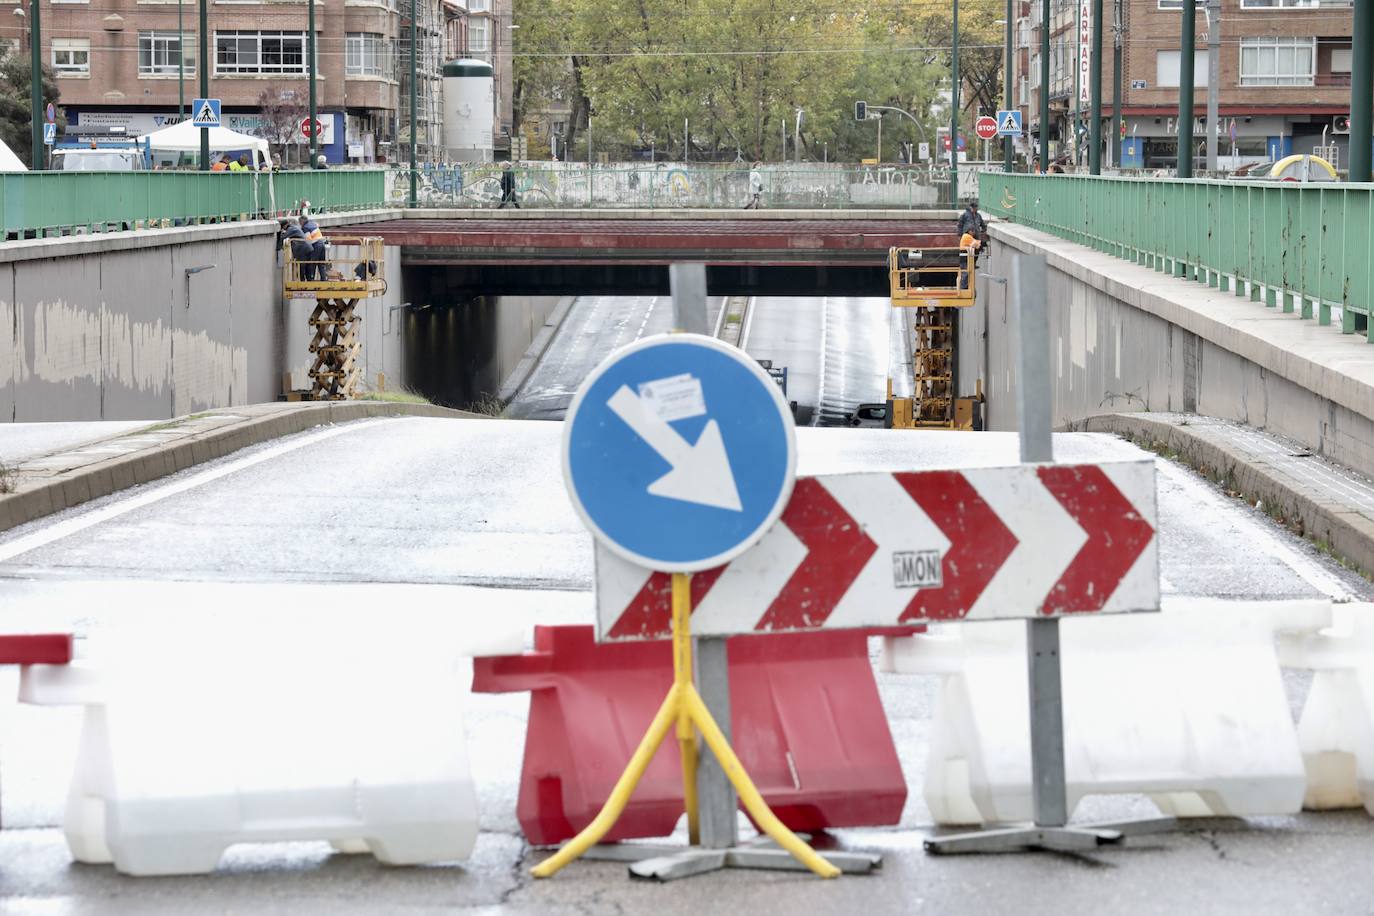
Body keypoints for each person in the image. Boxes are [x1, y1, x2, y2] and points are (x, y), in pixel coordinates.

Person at [300, 215, 327, 281]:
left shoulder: (305, 227)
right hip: (322, 243)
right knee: (321, 263)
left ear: (302, 221)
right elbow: (317, 225)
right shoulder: (312, 223)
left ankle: (311, 279)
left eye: (300, 222)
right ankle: (323, 279)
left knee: (312, 263)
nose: (300, 224)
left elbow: (308, 240)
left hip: (316, 245)